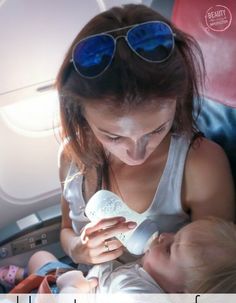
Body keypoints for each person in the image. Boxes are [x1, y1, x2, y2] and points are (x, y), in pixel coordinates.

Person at [56, 3, 235, 267]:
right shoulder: (71, 155)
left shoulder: (200, 166)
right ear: (80, 115)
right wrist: (77, 250)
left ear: (178, 101)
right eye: (113, 137)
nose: (137, 153)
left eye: (156, 130)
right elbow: (65, 228)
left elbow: (215, 282)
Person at [27, 217, 236, 294]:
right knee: (40, 256)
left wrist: (71, 288)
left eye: (170, 249)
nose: (165, 235)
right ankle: (23, 278)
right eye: (177, 233)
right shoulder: (152, 275)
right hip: (85, 283)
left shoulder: (139, 298)